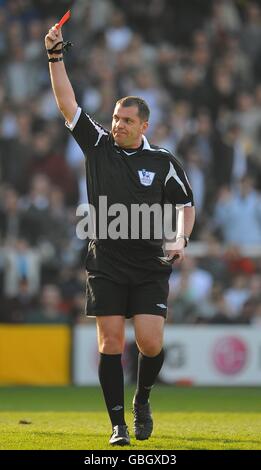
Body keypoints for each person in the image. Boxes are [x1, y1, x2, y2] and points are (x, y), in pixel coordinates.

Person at [45, 22, 195, 446]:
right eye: (115, 118)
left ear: (144, 125)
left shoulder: (165, 162)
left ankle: (142, 399)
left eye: (126, 120)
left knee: (149, 344)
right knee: (110, 343)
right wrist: (55, 56)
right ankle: (117, 426)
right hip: (106, 263)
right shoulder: (98, 146)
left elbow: (186, 207)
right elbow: (65, 102)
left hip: (149, 265)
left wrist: (180, 239)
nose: (118, 125)